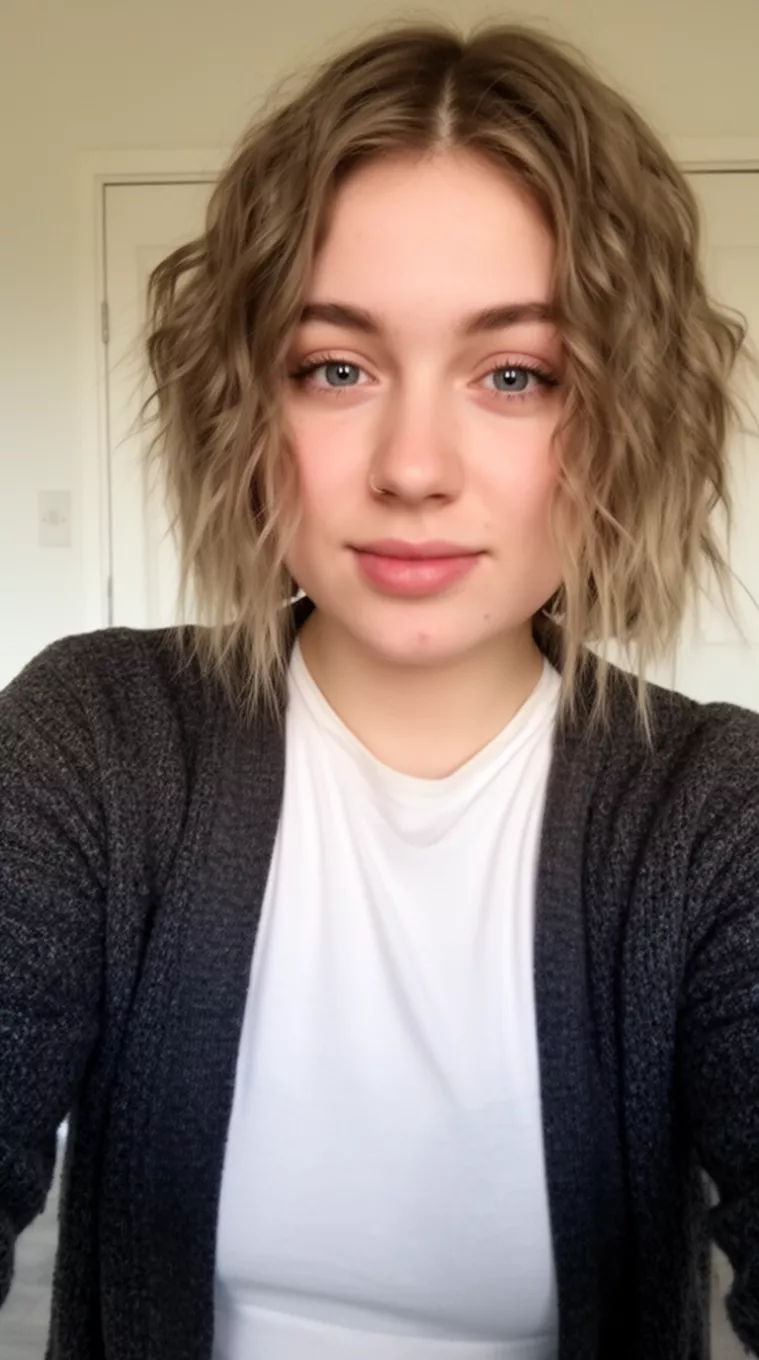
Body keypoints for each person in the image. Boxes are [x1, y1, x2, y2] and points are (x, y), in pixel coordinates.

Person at [1, 19, 758, 1360]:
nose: (413, 467)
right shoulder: (97, 741)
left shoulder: (712, 816)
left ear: (626, 418)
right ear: (247, 405)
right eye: (335, 368)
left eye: (516, 375)